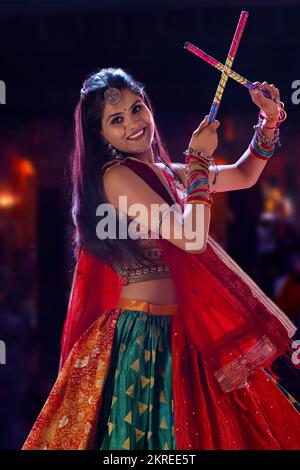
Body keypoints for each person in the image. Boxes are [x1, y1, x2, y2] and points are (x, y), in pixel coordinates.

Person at [22, 67, 300, 450]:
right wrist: (200, 157)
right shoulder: (115, 176)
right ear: (101, 136)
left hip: (185, 331)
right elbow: (191, 237)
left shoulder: (168, 173)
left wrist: (268, 120)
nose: (133, 123)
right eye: (116, 120)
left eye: (137, 109)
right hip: (143, 336)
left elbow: (244, 174)